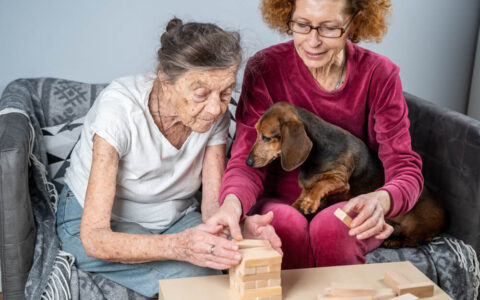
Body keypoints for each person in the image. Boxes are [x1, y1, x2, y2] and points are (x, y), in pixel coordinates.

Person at [208, 0, 424, 270]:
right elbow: (245, 161)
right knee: (285, 223)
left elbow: (405, 167)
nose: (312, 41)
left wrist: (382, 199)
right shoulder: (264, 67)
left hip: (346, 200)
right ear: (288, 16)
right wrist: (231, 205)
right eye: (301, 25)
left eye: (329, 28)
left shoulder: (380, 74)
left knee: (335, 227)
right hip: (280, 200)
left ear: (354, 23)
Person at [56, 18, 243, 297]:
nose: (216, 108)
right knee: (199, 279)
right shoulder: (118, 111)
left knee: (234, 256)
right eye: (201, 93)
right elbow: (95, 238)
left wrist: (238, 230)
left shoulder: (214, 115)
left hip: (173, 217)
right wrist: (179, 247)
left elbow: (211, 206)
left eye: (226, 92)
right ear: (166, 82)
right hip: (103, 223)